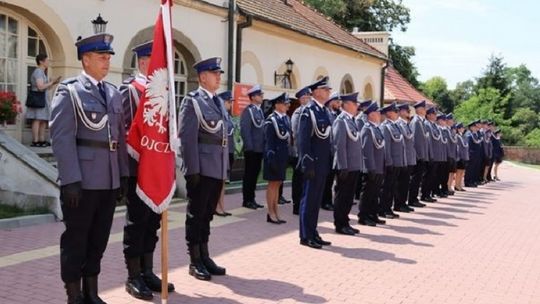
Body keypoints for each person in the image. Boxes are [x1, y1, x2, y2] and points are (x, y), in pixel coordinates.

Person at [50, 33, 129, 304]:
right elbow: (62, 138)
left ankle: (92, 292)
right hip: (81, 183)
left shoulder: (113, 93)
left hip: (107, 181)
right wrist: (70, 179)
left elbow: (119, 138)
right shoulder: (69, 91)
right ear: (86, 59)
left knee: (99, 240)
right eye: (101, 57)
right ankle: (74, 295)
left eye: (108, 57)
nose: (107, 62)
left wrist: (122, 175)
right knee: (76, 240)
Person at [120, 41, 174, 301]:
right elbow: (127, 132)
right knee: (137, 222)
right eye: (156, 61)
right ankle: (133, 276)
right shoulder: (131, 91)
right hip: (138, 168)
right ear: (143, 62)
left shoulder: (163, 93)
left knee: (153, 222)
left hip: (157, 168)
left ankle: (148, 270)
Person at [179, 57, 228, 281]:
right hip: (201, 167)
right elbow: (187, 138)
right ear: (202, 77)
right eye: (214, 73)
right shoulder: (192, 101)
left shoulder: (217, 101)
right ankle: (194, 259)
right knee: (196, 215)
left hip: (216, 167)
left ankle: (205, 255)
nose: (219, 76)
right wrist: (192, 170)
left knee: (207, 215)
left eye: (219, 73)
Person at [298, 76, 333, 249]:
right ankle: (306, 235)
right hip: (313, 163)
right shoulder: (308, 111)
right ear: (317, 92)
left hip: (323, 163)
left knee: (317, 199)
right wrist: (307, 163)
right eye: (326, 90)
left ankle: (313, 231)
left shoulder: (323, 111)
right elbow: (303, 140)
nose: (329, 92)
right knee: (309, 199)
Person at [332, 92, 362, 235]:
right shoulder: (341, 121)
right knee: (342, 196)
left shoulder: (352, 120)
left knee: (349, 197)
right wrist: (342, 165)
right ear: (347, 105)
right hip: (346, 166)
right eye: (355, 103)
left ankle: (346, 221)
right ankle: (340, 224)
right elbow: (339, 145)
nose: (357, 106)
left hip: (354, 165)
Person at [263, 92, 292, 224]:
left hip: (282, 157)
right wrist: (271, 158)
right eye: (285, 104)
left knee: (278, 184)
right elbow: (269, 141)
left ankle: (276, 212)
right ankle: (271, 213)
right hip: (273, 157)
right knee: (272, 185)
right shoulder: (271, 120)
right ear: (277, 105)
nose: (288, 106)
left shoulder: (285, 118)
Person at [357, 102, 386, 226]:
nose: (380, 114)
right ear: (372, 114)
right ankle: (363, 216)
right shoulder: (367, 129)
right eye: (378, 112)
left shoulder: (376, 128)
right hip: (372, 167)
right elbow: (367, 151)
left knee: (375, 193)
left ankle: (373, 214)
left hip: (379, 166)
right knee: (368, 193)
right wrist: (370, 167)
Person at [378, 102, 407, 218]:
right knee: (386, 187)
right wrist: (389, 161)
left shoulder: (395, 126)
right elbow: (387, 146)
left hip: (397, 162)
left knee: (392, 186)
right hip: (391, 162)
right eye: (395, 111)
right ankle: (383, 209)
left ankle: (388, 208)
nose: (397, 113)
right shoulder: (385, 127)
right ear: (389, 113)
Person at [240, 84, 265, 210]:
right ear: (253, 97)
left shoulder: (259, 111)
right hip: (252, 149)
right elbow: (245, 130)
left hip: (259, 149)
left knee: (255, 175)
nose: (262, 97)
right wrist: (249, 148)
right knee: (249, 175)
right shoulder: (248, 111)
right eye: (260, 95)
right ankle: (247, 200)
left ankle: (252, 198)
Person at [27, 53, 61, 147]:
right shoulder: (38, 72)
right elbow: (40, 87)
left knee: (43, 119)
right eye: (47, 60)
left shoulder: (43, 72)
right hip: (38, 98)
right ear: (41, 62)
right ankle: (35, 140)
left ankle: (42, 140)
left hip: (42, 98)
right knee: (37, 119)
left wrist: (53, 83)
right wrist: (51, 82)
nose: (48, 62)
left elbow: (46, 88)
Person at [397, 103, 423, 209]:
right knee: (401, 183)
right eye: (406, 111)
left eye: (408, 111)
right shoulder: (399, 124)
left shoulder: (406, 124)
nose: (408, 112)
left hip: (409, 157)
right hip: (404, 158)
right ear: (401, 112)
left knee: (405, 183)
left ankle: (403, 203)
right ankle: (399, 204)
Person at [290, 86, 311, 215]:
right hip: (299, 152)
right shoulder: (298, 113)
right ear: (301, 99)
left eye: (308, 97)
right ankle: (296, 204)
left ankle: (303, 203)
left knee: (305, 180)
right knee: (298, 180)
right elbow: (295, 134)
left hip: (306, 152)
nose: (308, 99)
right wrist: (298, 151)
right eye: (305, 97)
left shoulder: (308, 112)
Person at [215, 90, 235, 217]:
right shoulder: (220, 116)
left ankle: (221, 206)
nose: (230, 104)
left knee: (223, 181)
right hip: (221, 152)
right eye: (228, 102)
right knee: (219, 181)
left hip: (229, 151)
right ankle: (217, 207)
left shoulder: (227, 116)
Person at [321, 92, 341, 211]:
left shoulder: (338, 115)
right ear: (331, 102)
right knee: (327, 179)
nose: (339, 104)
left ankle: (330, 200)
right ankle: (325, 201)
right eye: (337, 102)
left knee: (333, 178)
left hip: (335, 152)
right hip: (328, 152)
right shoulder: (327, 114)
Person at [353, 100, 373, 203]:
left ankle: (357, 193)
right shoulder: (359, 120)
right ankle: (357, 194)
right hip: (360, 150)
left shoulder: (366, 118)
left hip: (365, 150)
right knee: (360, 175)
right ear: (364, 108)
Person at [423, 106, 443, 200]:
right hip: (431, 155)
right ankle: (425, 194)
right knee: (428, 176)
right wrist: (430, 155)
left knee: (433, 176)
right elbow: (428, 141)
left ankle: (429, 193)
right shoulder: (427, 125)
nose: (436, 116)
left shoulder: (434, 125)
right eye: (434, 114)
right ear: (429, 115)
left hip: (436, 155)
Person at [464, 120, 482, 187]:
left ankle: (472, 181)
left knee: (474, 169)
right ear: (471, 127)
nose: (475, 128)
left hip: (476, 154)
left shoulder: (474, 134)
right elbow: (468, 146)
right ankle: (468, 182)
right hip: (471, 154)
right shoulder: (469, 135)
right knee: (469, 169)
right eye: (474, 127)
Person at [435, 113, 449, 198]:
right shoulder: (438, 129)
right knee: (437, 175)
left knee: (443, 175)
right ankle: (436, 190)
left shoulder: (445, 130)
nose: (445, 122)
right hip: (438, 156)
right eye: (443, 120)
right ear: (439, 120)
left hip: (444, 155)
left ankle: (442, 190)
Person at [443, 114, 458, 195]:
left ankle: (449, 186)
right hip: (448, 154)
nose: (453, 122)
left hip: (452, 154)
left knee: (452, 172)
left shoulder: (450, 130)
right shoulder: (445, 130)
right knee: (447, 172)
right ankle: (446, 187)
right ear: (447, 120)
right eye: (451, 120)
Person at [455, 123, 469, 191]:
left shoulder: (464, 136)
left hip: (464, 156)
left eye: (463, 128)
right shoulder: (457, 136)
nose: (463, 129)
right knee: (458, 171)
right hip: (460, 156)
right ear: (458, 129)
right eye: (461, 128)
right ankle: (456, 185)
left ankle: (459, 184)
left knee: (462, 172)